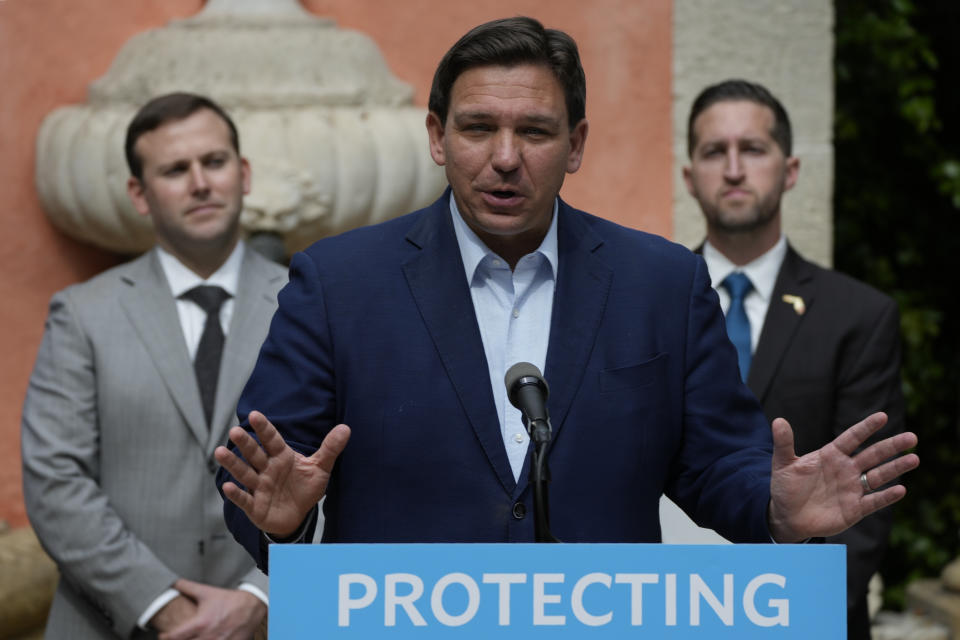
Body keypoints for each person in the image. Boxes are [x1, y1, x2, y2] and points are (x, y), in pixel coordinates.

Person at [215, 17, 917, 575]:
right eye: (478, 127)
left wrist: (773, 508)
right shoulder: (339, 282)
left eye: (535, 131)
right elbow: (270, 474)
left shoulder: (661, 283)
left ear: (575, 143)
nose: (506, 156)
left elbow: (713, 461)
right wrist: (282, 520)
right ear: (437, 136)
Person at [21, 92, 286, 639]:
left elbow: (348, 474)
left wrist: (260, 598)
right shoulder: (82, 315)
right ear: (139, 195)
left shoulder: (312, 305)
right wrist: (163, 606)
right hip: (111, 625)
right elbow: (55, 482)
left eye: (214, 163)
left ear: (243, 173)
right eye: (174, 169)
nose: (200, 183)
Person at [679, 78, 906, 639]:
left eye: (753, 149)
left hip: (804, 619)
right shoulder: (640, 303)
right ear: (690, 177)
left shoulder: (858, 314)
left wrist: (798, 614)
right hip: (667, 609)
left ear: (791, 169)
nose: (734, 169)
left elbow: (866, 505)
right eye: (714, 152)